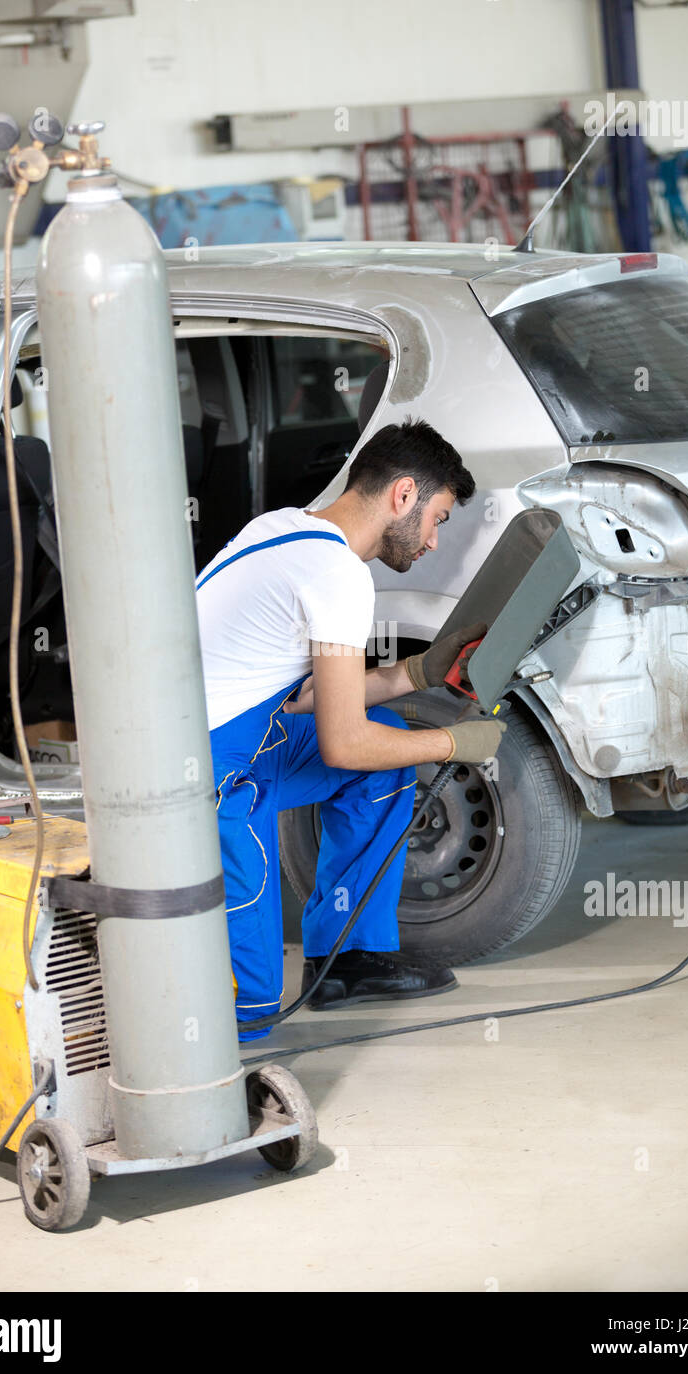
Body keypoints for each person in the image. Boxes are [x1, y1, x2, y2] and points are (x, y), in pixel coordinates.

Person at [195, 417, 504, 1039]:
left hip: (235, 736)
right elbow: (345, 742)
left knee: (385, 754)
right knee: (248, 1011)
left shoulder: (284, 529)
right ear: (404, 495)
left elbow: (303, 694)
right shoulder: (340, 575)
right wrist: (454, 744)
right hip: (201, 777)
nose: (434, 542)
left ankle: (347, 960)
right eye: (439, 519)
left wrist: (417, 673)